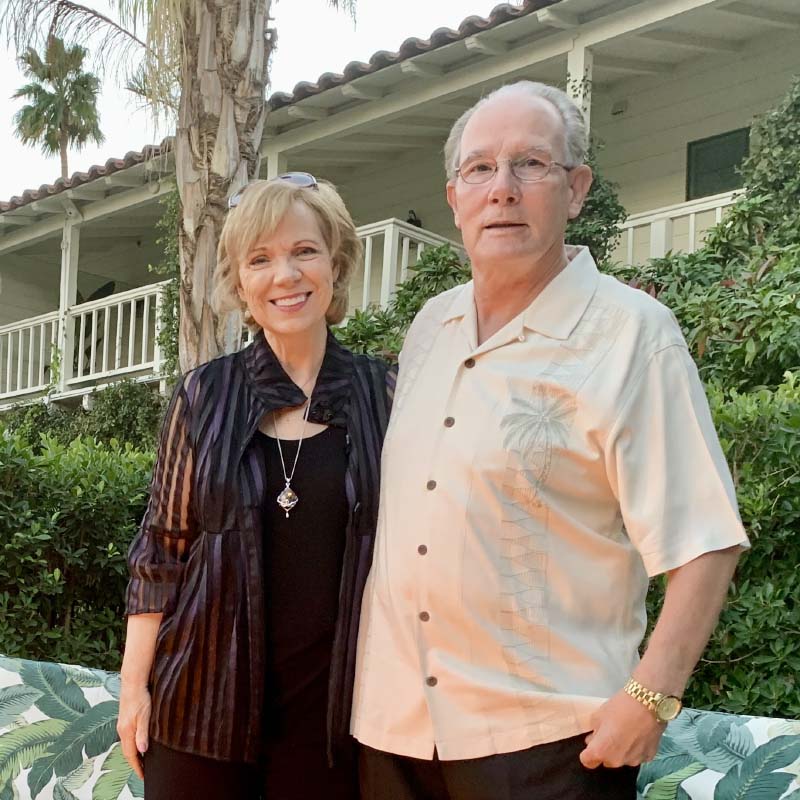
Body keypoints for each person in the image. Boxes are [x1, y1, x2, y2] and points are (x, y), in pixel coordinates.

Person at [351, 81, 749, 799]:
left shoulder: (631, 336)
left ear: (575, 189)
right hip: (394, 731)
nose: (502, 189)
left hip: (547, 745)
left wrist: (651, 697)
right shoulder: (428, 329)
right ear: (454, 196)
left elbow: (705, 539)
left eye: (531, 164)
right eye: (480, 169)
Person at [117, 174, 394, 800]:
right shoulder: (203, 396)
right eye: (260, 260)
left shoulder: (387, 395)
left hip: (337, 723)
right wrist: (135, 689)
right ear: (241, 283)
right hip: (200, 714)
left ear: (336, 261)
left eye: (304, 251)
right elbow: (161, 548)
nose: (285, 276)